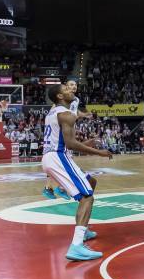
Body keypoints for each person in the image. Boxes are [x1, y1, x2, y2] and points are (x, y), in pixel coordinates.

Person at [42, 84, 112, 261]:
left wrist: (88, 143)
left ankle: (84, 230)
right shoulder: (66, 115)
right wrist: (100, 153)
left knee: (91, 183)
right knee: (87, 197)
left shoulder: (53, 113)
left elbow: (65, 142)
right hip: (58, 157)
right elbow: (71, 144)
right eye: (66, 89)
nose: (71, 90)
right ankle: (77, 246)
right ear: (59, 96)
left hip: (53, 157)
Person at [42, 79, 92, 200]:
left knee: (66, 161)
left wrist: (84, 115)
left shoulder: (75, 100)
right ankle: (50, 188)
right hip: (58, 134)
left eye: (75, 85)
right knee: (59, 161)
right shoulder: (61, 103)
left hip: (69, 129)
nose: (73, 87)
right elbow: (55, 113)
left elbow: (75, 113)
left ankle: (62, 187)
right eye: (70, 85)